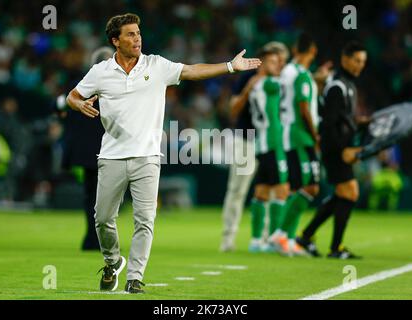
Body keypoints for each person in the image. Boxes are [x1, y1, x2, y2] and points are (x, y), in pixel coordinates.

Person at [66, 13, 261, 293]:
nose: (137, 38)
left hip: (147, 158)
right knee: (102, 218)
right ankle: (112, 262)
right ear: (115, 41)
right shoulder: (100, 71)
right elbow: (74, 95)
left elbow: (193, 70)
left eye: (138, 33)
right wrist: (78, 105)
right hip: (111, 156)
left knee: (145, 220)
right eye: (130, 34)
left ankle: (134, 277)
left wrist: (230, 66)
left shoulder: (156, 65)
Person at [297, 41, 368, 259]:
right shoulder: (337, 86)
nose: (359, 65)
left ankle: (306, 236)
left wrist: (359, 123)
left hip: (340, 147)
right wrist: (343, 150)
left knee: (343, 193)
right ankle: (335, 248)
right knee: (350, 192)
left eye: (363, 62)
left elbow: (340, 120)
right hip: (335, 148)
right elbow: (328, 124)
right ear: (345, 59)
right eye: (356, 60)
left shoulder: (347, 85)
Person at [220, 42, 289, 253]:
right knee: (238, 190)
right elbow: (232, 111)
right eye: (276, 59)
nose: (279, 64)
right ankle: (228, 238)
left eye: (281, 61)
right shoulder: (247, 78)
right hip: (246, 139)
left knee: (268, 189)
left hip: (271, 142)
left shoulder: (281, 83)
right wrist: (249, 89)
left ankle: (265, 237)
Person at [267, 33, 321, 256]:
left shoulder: (289, 72)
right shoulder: (300, 75)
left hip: (289, 134)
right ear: (312, 51)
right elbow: (303, 107)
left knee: (299, 186)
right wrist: (315, 134)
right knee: (309, 186)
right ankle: (281, 234)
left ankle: (287, 237)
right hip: (300, 136)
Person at [58, 47, 114, 251]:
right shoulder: (115, 87)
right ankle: (100, 239)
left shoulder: (79, 85)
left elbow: (61, 111)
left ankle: (91, 237)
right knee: (105, 197)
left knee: (90, 194)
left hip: (83, 150)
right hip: (107, 149)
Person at [240, 43, 291, 252]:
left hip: (262, 143)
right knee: (282, 189)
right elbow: (292, 85)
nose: (278, 65)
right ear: (261, 65)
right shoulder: (269, 83)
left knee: (261, 192)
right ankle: (274, 239)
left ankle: (255, 241)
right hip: (273, 141)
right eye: (273, 62)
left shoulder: (256, 84)